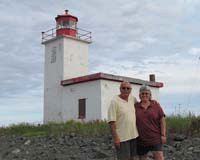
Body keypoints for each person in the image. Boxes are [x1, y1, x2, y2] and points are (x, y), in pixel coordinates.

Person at [108, 81, 139, 160]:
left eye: (128, 88)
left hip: (134, 136)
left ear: (130, 90)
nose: (126, 90)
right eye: (123, 88)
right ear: (120, 89)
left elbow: (142, 105)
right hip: (122, 138)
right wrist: (115, 138)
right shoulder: (114, 102)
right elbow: (112, 122)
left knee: (133, 157)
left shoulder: (133, 99)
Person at [135, 85, 166, 160]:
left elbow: (162, 121)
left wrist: (163, 135)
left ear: (149, 95)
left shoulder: (156, 105)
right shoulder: (136, 106)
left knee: (159, 157)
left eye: (146, 93)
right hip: (141, 139)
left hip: (155, 138)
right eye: (142, 94)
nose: (144, 95)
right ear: (139, 95)